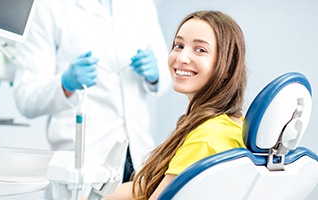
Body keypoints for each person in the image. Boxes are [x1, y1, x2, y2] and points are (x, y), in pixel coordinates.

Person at [12, 0, 171, 183]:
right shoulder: (47, 7)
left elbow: (165, 76)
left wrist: (155, 75)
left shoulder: (142, 5)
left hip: (138, 154)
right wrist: (65, 84)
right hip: (84, 156)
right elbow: (26, 97)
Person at [101, 10, 248, 199]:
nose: (181, 58)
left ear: (227, 66)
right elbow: (148, 186)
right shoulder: (227, 124)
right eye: (179, 45)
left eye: (200, 50)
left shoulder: (206, 138)